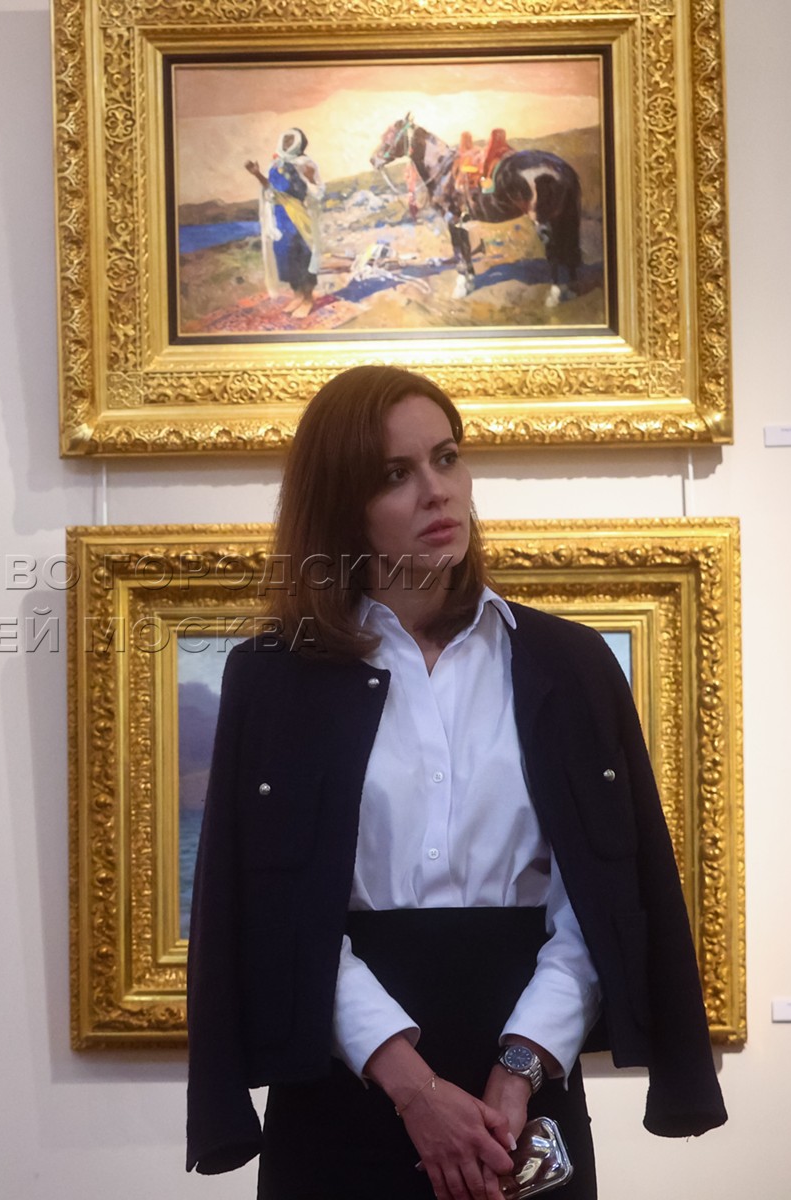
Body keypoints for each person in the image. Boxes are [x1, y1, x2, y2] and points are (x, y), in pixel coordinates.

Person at [185, 365, 725, 1200]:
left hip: (526, 1104)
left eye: (446, 458)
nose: (437, 491)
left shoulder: (570, 665)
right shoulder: (276, 678)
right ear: (341, 504)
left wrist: (519, 1069)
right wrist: (412, 1085)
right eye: (395, 474)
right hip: (342, 1090)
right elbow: (273, 910)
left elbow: (601, 895)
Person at [245, 129, 325, 320]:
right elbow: (270, 190)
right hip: (280, 218)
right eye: (285, 139)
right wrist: (257, 174)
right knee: (286, 259)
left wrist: (311, 178)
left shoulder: (305, 164)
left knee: (303, 257)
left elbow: (318, 193)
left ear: (299, 143)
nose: (287, 143)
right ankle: (297, 296)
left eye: (291, 140)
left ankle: (308, 299)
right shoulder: (275, 164)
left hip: (300, 217)